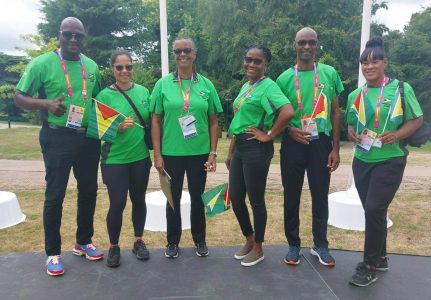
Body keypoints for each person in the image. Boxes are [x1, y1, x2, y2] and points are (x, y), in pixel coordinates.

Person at [14, 17, 103, 276]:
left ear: (84, 37)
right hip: (57, 137)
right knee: (55, 195)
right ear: (59, 36)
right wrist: (46, 104)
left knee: (89, 191)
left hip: (87, 138)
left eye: (78, 35)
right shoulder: (41, 63)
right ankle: (53, 253)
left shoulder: (92, 66)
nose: (73, 40)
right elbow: (19, 98)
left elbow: (95, 99)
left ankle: (83, 242)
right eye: (68, 35)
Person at [346, 37, 423, 287]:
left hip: (389, 159)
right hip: (362, 159)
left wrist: (397, 135)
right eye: (364, 62)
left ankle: (368, 266)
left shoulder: (401, 88)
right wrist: (351, 133)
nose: (369, 66)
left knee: (374, 209)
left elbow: (417, 119)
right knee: (374, 210)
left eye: (374, 61)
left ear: (384, 62)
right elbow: (350, 122)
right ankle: (381, 257)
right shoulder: (355, 94)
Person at [276, 27, 344, 267]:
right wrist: (288, 130)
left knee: (320, 195)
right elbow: (277, 116)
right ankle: (293, 245)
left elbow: (336, 112)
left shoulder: (329, 73)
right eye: (302, 42)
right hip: (293, 142)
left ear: (317, 45)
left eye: (311, 43)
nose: (306, 47)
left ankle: (321, 245)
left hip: (320, 142)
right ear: (294, 45)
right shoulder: (283, 78)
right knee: (291, 195)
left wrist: (335, 148)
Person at [150, 37, 223, 258]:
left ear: (195, 54)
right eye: (178, 51)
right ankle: (172, 242)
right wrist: (157, 154)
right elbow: (155, 121)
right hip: (171, 153)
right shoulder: (162, 84)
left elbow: (213, 122)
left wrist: (212, 153)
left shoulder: (206, 84)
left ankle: (200, 241)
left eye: (187, 50)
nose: (182, 54)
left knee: (197, 197)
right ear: (174, 54)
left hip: (199, 153)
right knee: (172, 200)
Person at [226, 45, 294, 267]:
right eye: (248, 59)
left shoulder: (268, 86)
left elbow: (287, 111)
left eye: (257, 61)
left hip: (257, 149)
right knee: (236, 198)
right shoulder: (247, 86)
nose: (251, 64)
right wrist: (230, 151)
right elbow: (240, 120)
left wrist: (270, 135)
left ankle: (259, 247)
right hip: (240, 148)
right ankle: (249, 238)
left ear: (266, 65)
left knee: (256, 200)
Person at [95, 50, 151, 268]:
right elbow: (97, 131)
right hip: (114, 160)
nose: (125, 71)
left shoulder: (144, 92)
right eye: (119, 67)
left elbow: (153, 119)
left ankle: (138, 241)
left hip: (140, 158)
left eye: (128, 66)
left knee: (139, 200)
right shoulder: (104, 96)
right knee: (117, 203)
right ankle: (114, 246)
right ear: (112, 69)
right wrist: (116, 128)